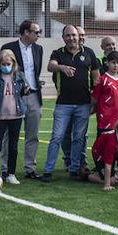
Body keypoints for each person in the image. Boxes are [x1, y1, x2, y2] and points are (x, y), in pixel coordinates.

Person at [43, 25, 97, 182]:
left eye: (74, 35)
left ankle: (74, 169)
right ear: (63, 37)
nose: (71, 38)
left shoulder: (89, 53)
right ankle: (48, 170)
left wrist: (94, 99)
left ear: (78, 36)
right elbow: (50, 66)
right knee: (57, 137)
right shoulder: (58, 53)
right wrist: (61, 67)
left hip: (83, 104)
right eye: (68, 35)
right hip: (63, 104)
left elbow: (96, 76)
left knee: (79, 138)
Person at [0, 20, 44, 179]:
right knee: (9, 135)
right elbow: (3, 72)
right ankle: (5, 169)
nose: (39, 35)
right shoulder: (8, 48)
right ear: (26, 32)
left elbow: (36, 73)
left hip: (33, 95)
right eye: (36, 32)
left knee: (33, 134)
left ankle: (30, 168)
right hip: (14, 97)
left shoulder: (39, 49)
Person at [0, 49, 27, 185]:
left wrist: (26, 89)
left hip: (16, 115)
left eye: (8, 63)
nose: (6, 66)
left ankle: (11, 173)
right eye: (3, 64)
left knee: (13, 146)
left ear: (13, 63)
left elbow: (23, 92)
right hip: (0, 116)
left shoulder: (19, 76)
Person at [92, 51, 118, 135]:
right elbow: (94, 98)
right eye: (113, 62)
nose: (116, 65)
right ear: (107, 63)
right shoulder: (102, 79)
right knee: (103, 145)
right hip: (105, 120)